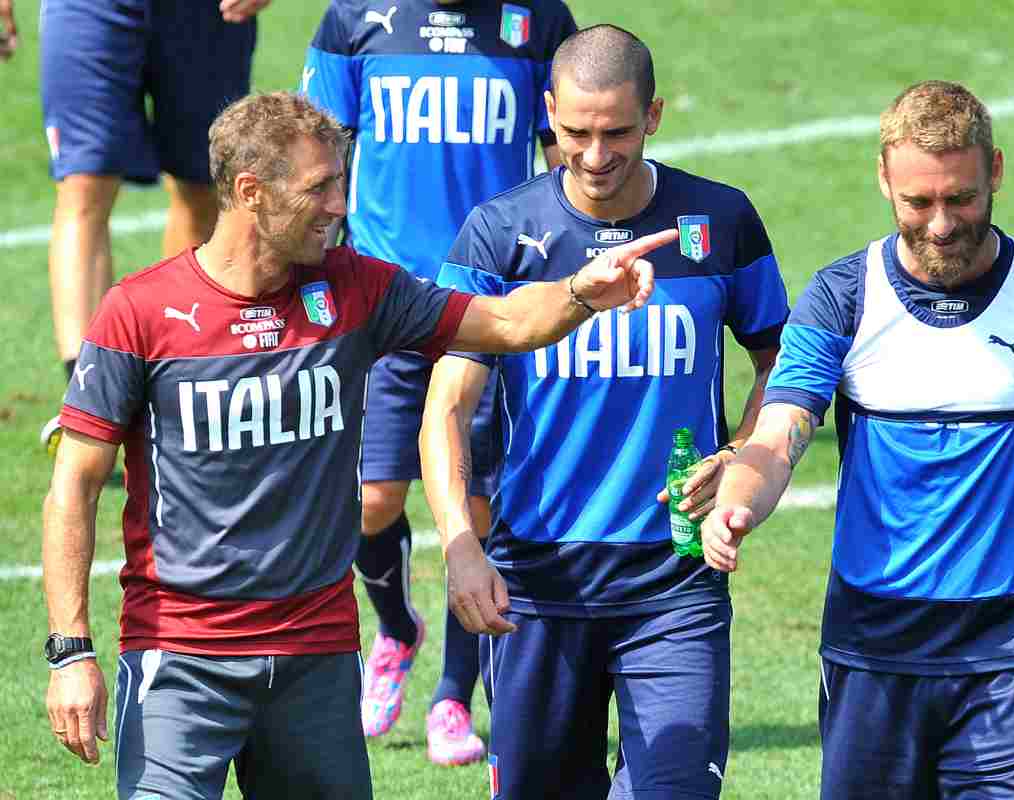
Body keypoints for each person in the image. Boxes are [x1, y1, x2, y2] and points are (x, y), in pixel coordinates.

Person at [41, 90, 673, 800]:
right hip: (180, 658)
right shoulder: (139, 313)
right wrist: (71, 651)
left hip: (315, 656)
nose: (342, 204)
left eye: (341, 182)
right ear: (251, 193)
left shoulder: (355, 287)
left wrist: (580, 294)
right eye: (320, 187)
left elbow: (501, 321)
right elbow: (75, 483)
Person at [701, 80, 1014, 799]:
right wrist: (738, 502)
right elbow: (782, 431)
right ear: (884, 179)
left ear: (994, 171)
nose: (940, 225)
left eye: (960, 198)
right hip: (872, 650)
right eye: (918, 202)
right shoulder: (842, 297)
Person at [419, 24, 789, 798]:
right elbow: (448, 405)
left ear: (653, 115)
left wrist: (742, 457)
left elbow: (782, 364)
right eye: (575, 131)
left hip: (675, 580)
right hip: (537, 582)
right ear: (547, 109)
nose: (594, 155)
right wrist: (458, 542)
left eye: (617, 131)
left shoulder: (720, 222)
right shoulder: (498, 233)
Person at [300, 0, 578, 760]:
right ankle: (395, 627)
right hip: (385, 300)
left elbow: (568, 161)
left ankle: (453, 697)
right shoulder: (355, 18)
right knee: (372, 501)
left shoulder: (537, 21)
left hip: (484, 304)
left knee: (475, 507)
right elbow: (315, 151)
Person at [36, 0, 269, 456]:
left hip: (206, 13)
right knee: (84, 182)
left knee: (203, 186)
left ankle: (174, 379)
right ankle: (89, 408)